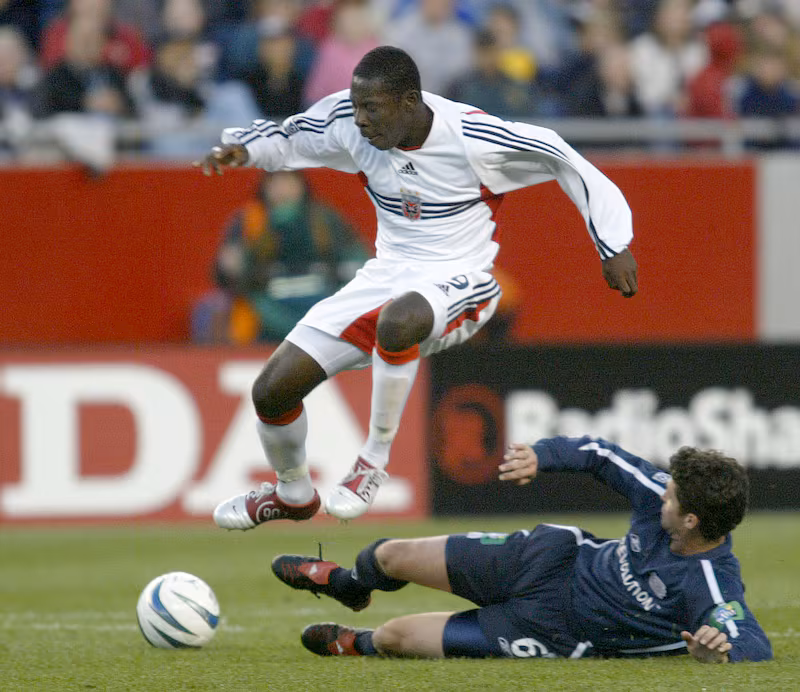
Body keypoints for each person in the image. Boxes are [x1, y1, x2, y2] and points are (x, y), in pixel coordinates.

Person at [195, 45, 638, 525]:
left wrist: (611, 243)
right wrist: (245, 149)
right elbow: (293, 136)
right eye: (357, 107)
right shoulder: (353, 124)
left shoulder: (472, 136)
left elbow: (561, 155)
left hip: (463, 279)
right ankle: (292, 493)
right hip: (386, 275)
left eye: (372, 109)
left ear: (410, 102)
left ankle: (373, 460)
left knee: (400, 319)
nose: (361, 121)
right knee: (271, 391)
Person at [271, 435, 773, 663]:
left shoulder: (711, 580)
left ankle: (355, 642)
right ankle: (348, 586)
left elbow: (750, 640)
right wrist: (542, 456)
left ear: (692, 520)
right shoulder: (658, 492)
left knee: (396, 637)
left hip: (555, 630)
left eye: (672, 496)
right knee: (389, 556)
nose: (661, 491)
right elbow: (601, 456)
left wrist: (718, 652)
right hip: (548, 559)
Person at [192, 169, 369, 344]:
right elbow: (225, 274)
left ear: (301, 185)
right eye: (275, 183)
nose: (282, 189)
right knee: (209, 308)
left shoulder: (324, 218)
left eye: (288, 182)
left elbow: (356, 263)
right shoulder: (249, 220)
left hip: (322, 303)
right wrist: (235, 267)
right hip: (263, 305)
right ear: (264, 187)